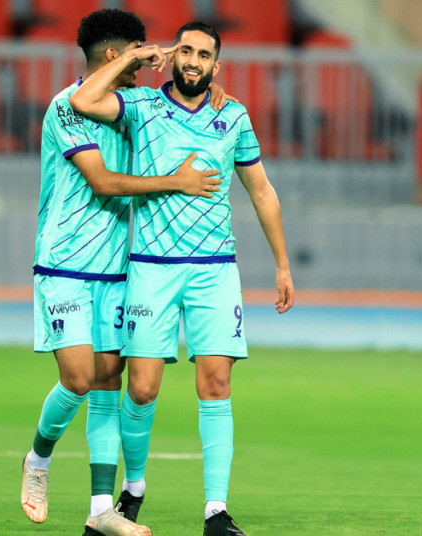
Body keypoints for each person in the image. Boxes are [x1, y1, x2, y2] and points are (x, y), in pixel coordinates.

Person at [70, 22, 295, 536]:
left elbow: (261, 191)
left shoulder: (233, 116)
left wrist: (282, 264)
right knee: (142, 389)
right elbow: (83, 100)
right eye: (186, 51)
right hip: (152, 268)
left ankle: (216, 511)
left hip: (214, 270)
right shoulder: (143, 106)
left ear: (217, 65)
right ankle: (134, 489)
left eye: (204, 55)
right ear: (172, 56)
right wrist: (135, 59)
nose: (193, 61)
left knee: (217, 383)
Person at [22, 9, 229, 536]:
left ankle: (101, 510)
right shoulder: (67, 109)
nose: (147, 68)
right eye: (139, 58)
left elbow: (178, 115)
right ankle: (39, 457)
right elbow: (104, 183)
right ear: (116, 56)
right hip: (65, 263)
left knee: (107, 382)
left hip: (115, 268)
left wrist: (211, 92)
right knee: (77, 379)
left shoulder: (130, 110)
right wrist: (175, 182)